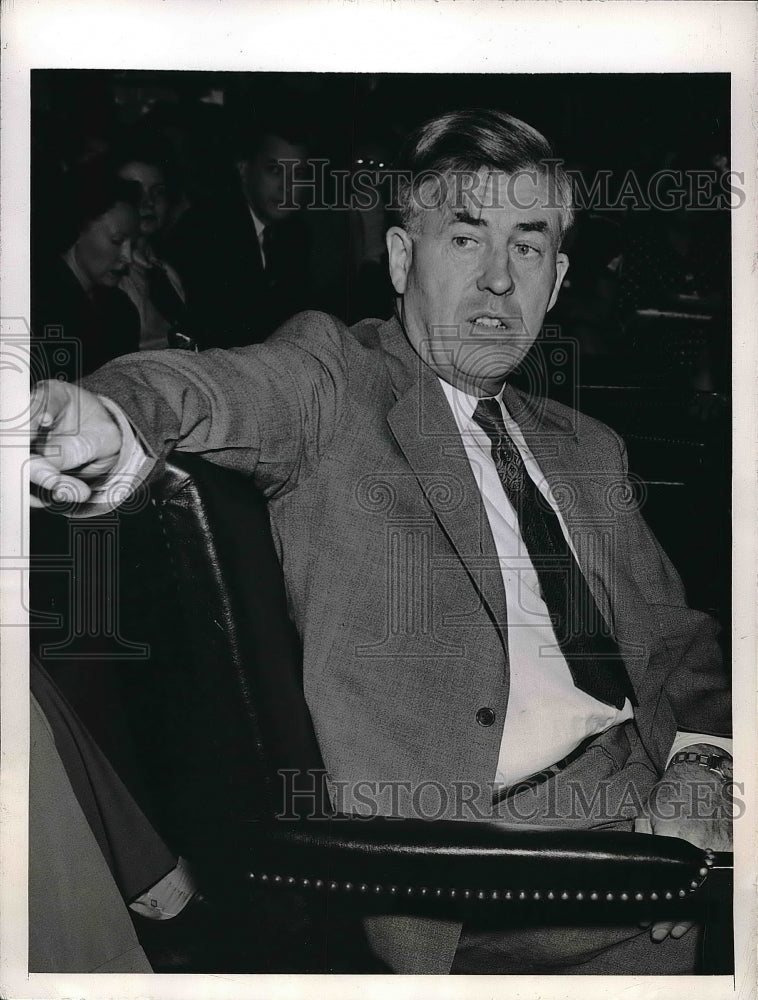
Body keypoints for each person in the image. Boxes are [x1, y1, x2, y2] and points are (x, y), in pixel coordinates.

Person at [29, 108, 732, 975]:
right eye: (466, 238)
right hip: (490, 861)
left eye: (528, 246)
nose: (499, 282)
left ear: (557, 280)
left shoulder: (587, 447)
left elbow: (681, 647)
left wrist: (704, 772)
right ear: (401, 259)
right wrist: (105, 419)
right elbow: (215, 386)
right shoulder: (339, 385)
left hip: (654, 806)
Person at [162, 114, 312, 348]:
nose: (288, 186)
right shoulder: (207, 228)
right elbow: (222, 330)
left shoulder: (296, 235)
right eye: (274, 170)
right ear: (243, 169)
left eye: (299, 174)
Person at [31, 163, 142, 380]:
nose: (127, 257)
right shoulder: (38, 302)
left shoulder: (120, 309)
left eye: (133, 244)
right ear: (79, 229)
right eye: (117, 241)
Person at [112, 137, 193, 352]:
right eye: (135, 193)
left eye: (157, 192)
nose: (148, 203)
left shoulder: (167, 272)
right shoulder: (113, 276)